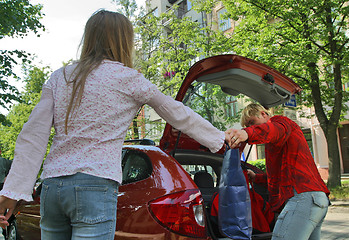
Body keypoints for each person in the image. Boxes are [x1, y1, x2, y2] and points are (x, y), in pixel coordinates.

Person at [0, 10, 225, 239]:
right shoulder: (129, 79)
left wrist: (13, 190)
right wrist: (219, 138)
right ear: (124, 41)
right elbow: (176, 112)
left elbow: (33, 135)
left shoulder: (61, 77)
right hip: (95, 185)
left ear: (89, 37)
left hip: (53, 186)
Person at [225, 103, 330, 240]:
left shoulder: (281, 122)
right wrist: (256, 177)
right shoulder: (275, 142)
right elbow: (279, 178)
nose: (251, 127)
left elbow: (272, 129)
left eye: (252, 122)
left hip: (303, 197)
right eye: (248, 126)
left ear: (263, 114)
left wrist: (246, 133)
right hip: (316, 198)